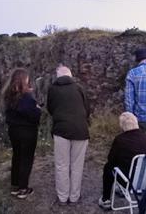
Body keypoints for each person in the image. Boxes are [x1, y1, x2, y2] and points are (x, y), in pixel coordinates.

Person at [47, 66, 90, 205]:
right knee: (77, 165)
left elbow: (50, 108)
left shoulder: (53, 89)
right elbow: (87, 109)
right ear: (70, 76)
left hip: (61, 130)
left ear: (58, 76)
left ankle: (62, 197)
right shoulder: (79, 88)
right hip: (81, 130)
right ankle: (74, 197)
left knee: (61, 165)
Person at [98, 112, 146, 210]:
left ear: (122, 126)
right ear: (136, 123)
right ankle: (120, 190)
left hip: (130, 181)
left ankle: (106, 200)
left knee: (108, 167)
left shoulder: (120, 139)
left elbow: (111, 160)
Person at [3, 68, 41, 199]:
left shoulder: (9, 95)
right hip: (27, 131)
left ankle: (15, 184)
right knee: (26, 159)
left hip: (13, 130)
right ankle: (23, 189)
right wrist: (37, 108)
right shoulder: (25, 97)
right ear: (23, 80)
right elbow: (34, 115)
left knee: (17, 156)